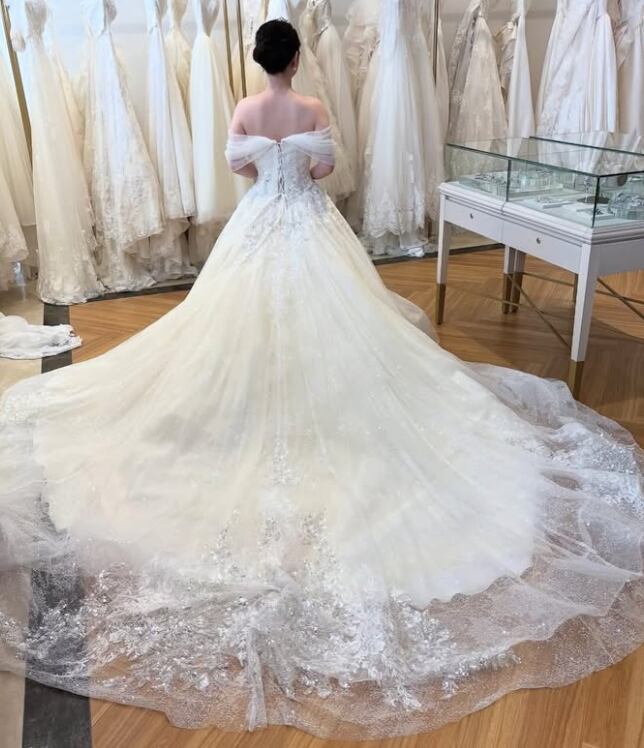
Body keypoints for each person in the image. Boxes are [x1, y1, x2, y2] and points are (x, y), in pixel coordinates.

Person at [0, 18, 643, 741]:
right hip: (309, 226)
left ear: (258, 60)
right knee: (344, 322)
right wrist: (297, 165)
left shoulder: (246, 109)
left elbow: (243, 172)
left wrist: (269, 165)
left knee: (230, 325)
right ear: (298, 59)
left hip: (258, 228)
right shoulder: (309, 108)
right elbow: (326, 171)